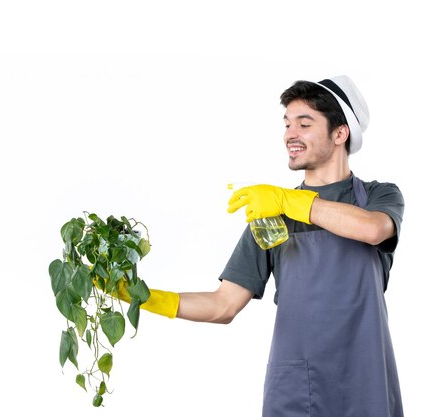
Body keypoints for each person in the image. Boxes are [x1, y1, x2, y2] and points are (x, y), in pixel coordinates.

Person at [115, 75, 405, 417]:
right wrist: (145, 297)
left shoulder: (377, 197)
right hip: (298, 389)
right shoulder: (270, 215)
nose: (290, 134)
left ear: (340, 134)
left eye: (304, 123)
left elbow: (372, 230)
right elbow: (223, 305)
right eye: (287, 124)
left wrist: (289, 201)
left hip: (365, 381)